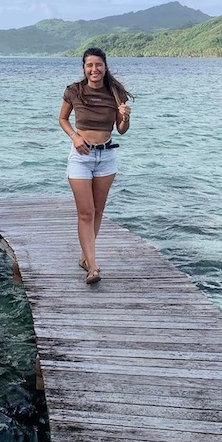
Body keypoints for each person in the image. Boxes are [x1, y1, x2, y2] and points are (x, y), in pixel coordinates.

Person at [58, 47, 133, 284]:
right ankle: (92, 267)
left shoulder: (116, 92)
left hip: (106, 157)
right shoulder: (74, 91)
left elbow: (121, 130)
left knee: (98, 211)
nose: (94, 69)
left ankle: (85, 257)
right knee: (86, 212)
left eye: (98, 65)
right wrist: (75, 137)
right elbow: (62, 118)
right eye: (89, 65)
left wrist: (125, 116)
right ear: (84, 68)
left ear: (105, 66)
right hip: (81, 157)